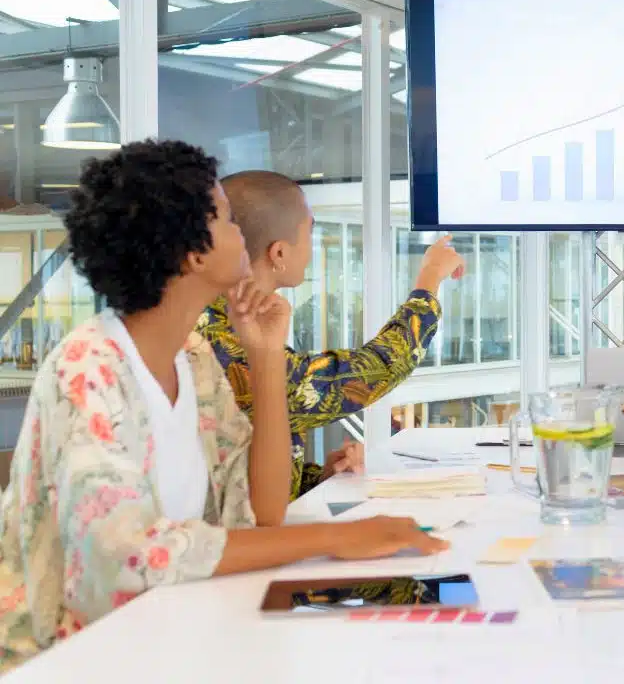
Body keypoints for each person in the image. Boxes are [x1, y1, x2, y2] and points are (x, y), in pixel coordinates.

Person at [0, 141, 447, 670]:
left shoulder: (194, 359)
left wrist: (265, 355)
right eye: (230, 219)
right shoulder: (86, 369)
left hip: (176, 643)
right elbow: (129, 556)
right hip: (72, 662)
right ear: (193, 252)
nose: (244, 233)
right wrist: (336, 538)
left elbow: (264, 510)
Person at [196, 170, 465, 499]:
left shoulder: (227, 319)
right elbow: (364, 372)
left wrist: (315, 478)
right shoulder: (228, 342)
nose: (313, 246)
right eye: (310, 232)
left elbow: (244, 475)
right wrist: (430, 279)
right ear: (278, 252)